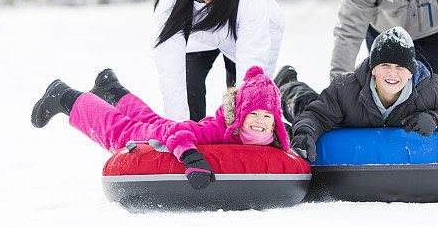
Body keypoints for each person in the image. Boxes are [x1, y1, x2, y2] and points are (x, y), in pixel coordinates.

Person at [31, 66, 289, 190]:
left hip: (169, 128)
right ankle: (65, 97)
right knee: (122, 132)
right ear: (239, 114)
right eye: (252, 113)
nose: (259, 121)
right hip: (170, 139)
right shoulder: (219, 128)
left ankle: (113, 91)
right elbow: (179, 135)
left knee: (151, 119)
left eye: (267, 116)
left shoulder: (275, 136)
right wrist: (191, 157)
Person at [276, 27, 438, 162]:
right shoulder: (346, 88)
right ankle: (287, 83)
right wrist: (305, 133)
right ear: (373, 69)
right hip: (342, 118)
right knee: (305, 105)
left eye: (400, 67)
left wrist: (434, 118)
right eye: (385, 66)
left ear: (411, 72)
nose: (392, 73)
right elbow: (316, 115)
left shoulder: (429, 88)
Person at [153, 0, 284, 122]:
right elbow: (170, 66)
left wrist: (246, 123)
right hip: (198, 38)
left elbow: (252, 61)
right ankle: (194, 131)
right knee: (190, 87)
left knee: (241, 94)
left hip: (241, 38)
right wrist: (180, 129)